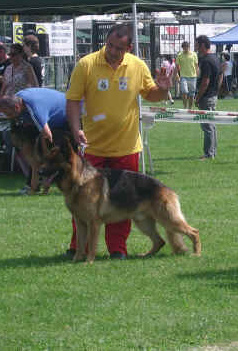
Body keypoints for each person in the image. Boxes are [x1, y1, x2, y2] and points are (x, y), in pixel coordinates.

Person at [66, 24, 172, 260]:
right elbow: (73, 100)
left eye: (118, 48)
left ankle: (117, 249)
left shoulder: (137, 65)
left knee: (123, 203)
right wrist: (76, 130)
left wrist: (163, 90)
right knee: (83, 202)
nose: (112, 51)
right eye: (110, 45)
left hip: (126, 147)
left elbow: (151, 93)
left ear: (129, 47)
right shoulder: (86, 64)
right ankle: (78, 247)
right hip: (93, 146)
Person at [194, 35, 221, 160]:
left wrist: (198, 97)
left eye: (197, 44)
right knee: (212, 125)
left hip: (206, 97)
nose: (196, 47)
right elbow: (221, 76)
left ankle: (209, 154)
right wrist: (216, 90)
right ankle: (212, 152)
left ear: (203, 45)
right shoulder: (215, 58)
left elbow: (205, 81)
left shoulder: (205, 60)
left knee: (207, 126)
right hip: (213, 95)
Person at [176, 41, 198, 109]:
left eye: (187, 47)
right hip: (183, 77)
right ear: (182, 48)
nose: (185, 49)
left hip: (193, 77)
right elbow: (177, 67)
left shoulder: (194, 54)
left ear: (189, 47)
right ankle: (185, 107)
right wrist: (177, 76)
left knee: (191, 94)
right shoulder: (179, 55)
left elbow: (196, 66)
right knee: (184, 91)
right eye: (184, 48)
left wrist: (197, 75)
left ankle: (190, 108)